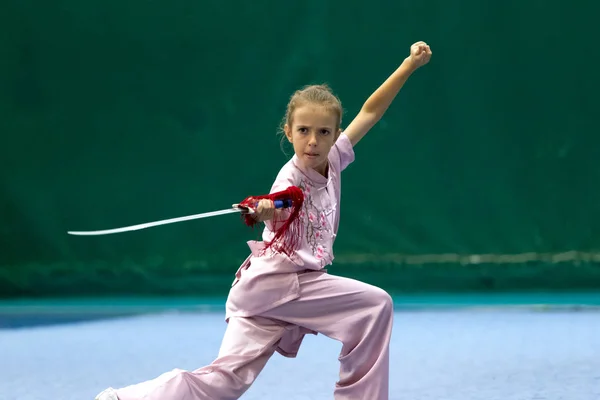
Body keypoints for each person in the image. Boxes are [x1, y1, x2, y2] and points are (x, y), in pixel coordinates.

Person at [95, 41, 432, 400]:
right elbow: (276, 202)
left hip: (267, 290)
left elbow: (370, 111)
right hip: (283, 285)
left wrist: (407, 66)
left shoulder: (334, 159)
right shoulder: (289, 179)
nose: (313, 141)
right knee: (374, 305)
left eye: (322, 132)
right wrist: (264, 209)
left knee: (226, 380)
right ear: (288, 132)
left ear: (335, 135)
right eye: (303, 130)